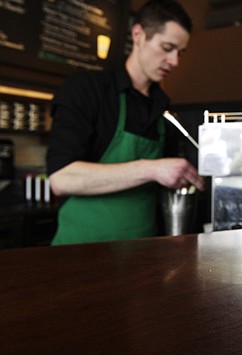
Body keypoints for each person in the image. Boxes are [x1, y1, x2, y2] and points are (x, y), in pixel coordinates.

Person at [46, 0, 204, 245]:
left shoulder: (164, 109)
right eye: (167, 47)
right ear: (138, 34)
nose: (175, 62)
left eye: (180, 52)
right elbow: (61, 179)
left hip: (144, 257)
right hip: (79, 255)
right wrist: (152, 169)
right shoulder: (87, 90)